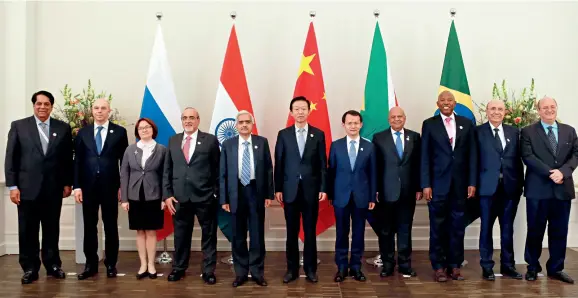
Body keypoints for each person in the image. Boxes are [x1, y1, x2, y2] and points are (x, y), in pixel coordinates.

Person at [4, 90, 73, 284]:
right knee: (27, 230)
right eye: (39, 104)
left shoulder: (63, 128)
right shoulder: (19, 126)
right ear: (33, 105)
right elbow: (11, 158)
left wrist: (67, 182)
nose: (42, 107)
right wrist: (12, 186)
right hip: (26, 189)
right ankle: (30, 268)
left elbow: (67, 158)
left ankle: (52, 265)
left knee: (52, 229)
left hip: (53, 188)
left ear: (51, 106)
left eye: (46, 104)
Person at [420, 90, 477, 282]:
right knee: (437, 226)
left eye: (450, 100)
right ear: (437, 103)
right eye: (442, 100)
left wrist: (471, 182)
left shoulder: (466, 124)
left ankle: (454, 265)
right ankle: (438, 266)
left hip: (460, 186)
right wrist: (426, 184)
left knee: (457, 226)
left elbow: (472, 156)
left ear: (455, 103)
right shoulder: (429, 124)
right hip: (437, 185)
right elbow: (425, 156)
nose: (446, 103)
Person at [521, 96, 577, 284]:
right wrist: (550, 172)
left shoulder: (569, 131)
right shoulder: (528, 131)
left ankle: (556, 268)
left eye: (552, 106)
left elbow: (575, 154)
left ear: (557, 108)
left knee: (559, 231)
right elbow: (527, 156)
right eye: (545, 107)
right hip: (538, 190)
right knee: (535, 230)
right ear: (538, 110)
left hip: (563, 189)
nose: (549, 110)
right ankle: (532, 267)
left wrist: (563, 172)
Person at [163, 107, 220, 284]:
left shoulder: (210, 140)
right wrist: (167, 194)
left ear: (198, 120)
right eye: (184, 118)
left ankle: (208, 271)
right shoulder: (173, 140)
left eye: (191, 118)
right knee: (180, 236)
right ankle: (179, 268)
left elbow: (218, 169)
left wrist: (215, 194)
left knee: (209, 236)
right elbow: (167, 170)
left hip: (205, 197)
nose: (188, 121)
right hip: (180, 198)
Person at [74, 98, 129, 280]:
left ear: (109, 111)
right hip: (88, 188)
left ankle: (111, 264)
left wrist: (123, 186)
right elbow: (77, 162)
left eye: (103, 108)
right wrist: (77, 186)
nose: (99, 111)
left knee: (111, 227)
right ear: (92, 111)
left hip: (110, 187)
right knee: (89, 227)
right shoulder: (83, 132)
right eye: (96, 108)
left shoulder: (119, 132)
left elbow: (125, 162)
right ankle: (90, 264)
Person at [274, 96, 327, 284]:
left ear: (309, 110)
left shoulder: (318, 134)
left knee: (310, 232)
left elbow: (322, 164)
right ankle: (291, 270)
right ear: (291, 112)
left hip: (311, 191)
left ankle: (311, 270)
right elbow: (278, 163)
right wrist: (278, 187)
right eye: (296, 109)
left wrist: (323, 187)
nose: (300, 112)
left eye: (303, 108)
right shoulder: (284, 134)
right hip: (289, 190)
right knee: (291, 232)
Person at [220, 110, 273, 287]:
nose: (244, 125)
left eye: (247, 122)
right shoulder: (228, 144)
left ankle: (257, 272)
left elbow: (268, 170)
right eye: (241, 122)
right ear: (236, 125)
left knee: (257, 235)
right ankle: (241, 273)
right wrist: (224, 199)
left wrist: (268, 194)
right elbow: (223, 174)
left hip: (255, 191)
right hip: (235, 193)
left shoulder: (261, 142)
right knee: (238, 235)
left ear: (252, 124)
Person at [475, 99, 523, 281]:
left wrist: (520, 185)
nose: (496, 112)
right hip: (487, 189)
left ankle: (508, 265)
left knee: (507, 229)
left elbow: (518, 160)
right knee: (486, 228)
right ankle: (487, 266)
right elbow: (473, 161)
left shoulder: (514, 131)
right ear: (487, 111)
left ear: (505, 112)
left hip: (510, 188)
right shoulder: (477, 132)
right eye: (493, 108)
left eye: (500, 109)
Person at [371, 107, 421, 278]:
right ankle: (387, 264)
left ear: (405, 118)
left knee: (405, 229)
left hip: (408, 192)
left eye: (400, 116)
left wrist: (419, 187)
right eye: (393, 117)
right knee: (385, 231)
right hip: (386, 192)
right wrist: (375, 189)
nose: (397, 119)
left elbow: (418, 165)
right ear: (389, 119)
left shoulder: (414, 137)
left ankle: (405, 265)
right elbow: (375, 166)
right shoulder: (379, 138)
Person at [327, 110, 376, 282]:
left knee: (358, 233)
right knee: (341, 233)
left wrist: (371, 198)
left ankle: (356, 267)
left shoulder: (369, 146)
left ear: (361, 125)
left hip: (361, 197)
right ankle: (341, 267)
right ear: (344, 125)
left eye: (356, 123)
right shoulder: (336, 145)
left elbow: (373, 174)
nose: (353, 126)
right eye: (350, 123)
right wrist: (331, 195)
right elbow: (331, 172)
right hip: (340, 197)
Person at [120, 118, 167, 280]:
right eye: (141, 128)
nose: (144, 130)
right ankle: (143, 265)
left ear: (153, 130)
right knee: (140, 231)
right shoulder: (130, 149)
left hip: (154, 195)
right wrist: (124, 199)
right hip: (134, 196)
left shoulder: (161, 150)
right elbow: (124, 174)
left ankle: (152, 265)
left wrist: (164, 197)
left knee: (151, 231)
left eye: (147, 127)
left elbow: (164, 175)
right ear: (137, 132)